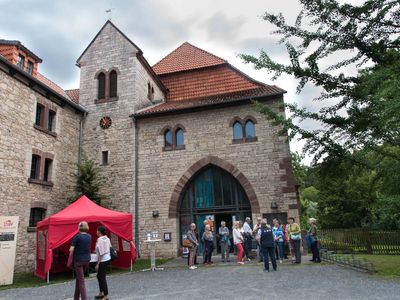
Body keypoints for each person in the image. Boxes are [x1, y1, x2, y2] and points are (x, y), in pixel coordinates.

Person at [70, 221, 91, 300]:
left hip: (78, 260)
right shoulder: (89, 236)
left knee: (81, 281)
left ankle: (84, 298)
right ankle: (76, 297)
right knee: (79, 279)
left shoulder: (77, 237)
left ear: (79, 227)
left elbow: (71, 249)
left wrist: (71, 250)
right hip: (87, 260)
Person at [95, 226, 111, 300]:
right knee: (99, 276)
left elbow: (101, 253)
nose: (96, 232)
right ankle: (101, 292)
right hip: (107, 258)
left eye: (97, 230)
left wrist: (98, 263)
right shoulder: (107, 238)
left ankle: (105, 295)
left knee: (102, 277)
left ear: (99, 232)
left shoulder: (100, 239)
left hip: (103, 260)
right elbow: (109, 247)